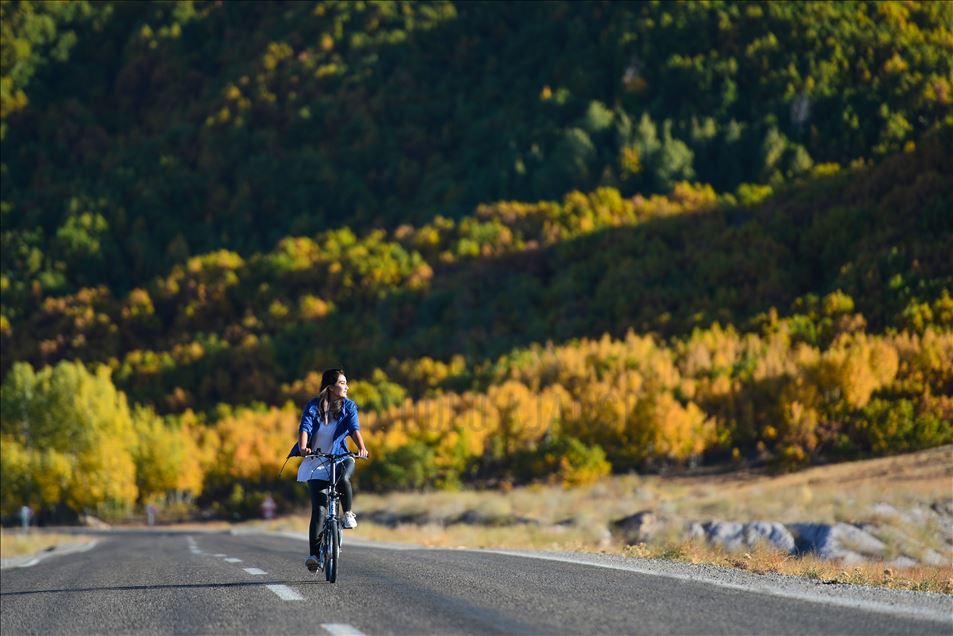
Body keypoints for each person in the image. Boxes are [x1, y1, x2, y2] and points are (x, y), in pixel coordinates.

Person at [296, 368, 368, 573]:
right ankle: (314, 555)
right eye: (342, 382)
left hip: (340, 457)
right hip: (317, 460)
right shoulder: (314, 406)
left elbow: (354, 428)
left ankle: (348, 514)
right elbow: (305, 428)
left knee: (344, 477)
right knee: (319, 509)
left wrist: (361, 448)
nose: (347, 386)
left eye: (346, 382)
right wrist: (303, 448)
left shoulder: (349, 406)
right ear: (330, 386)